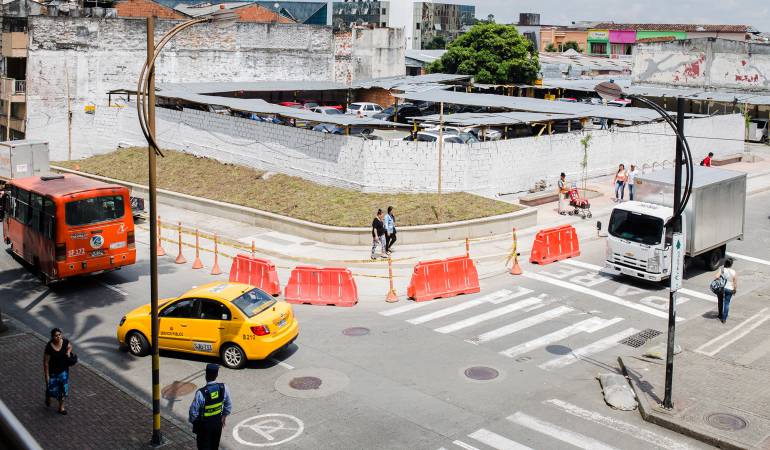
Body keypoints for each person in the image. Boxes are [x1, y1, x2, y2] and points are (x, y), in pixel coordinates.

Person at [189, 363, 232, 450]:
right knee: (214, 446)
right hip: (217, 424)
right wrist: (224, 416)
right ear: (217, 375)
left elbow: (193, 412)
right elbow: (228, 405)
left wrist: (196, 423)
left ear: (206, 375)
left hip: (204, 427)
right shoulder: (224, 388)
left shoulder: (201, 393)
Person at [44, 328, 73, 415]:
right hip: (53, 372)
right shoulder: (49, 347)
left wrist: (68, 352)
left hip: (63, 371)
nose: (58, 337)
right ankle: (48, 395)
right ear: (52, 337)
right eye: (56, 335)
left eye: (59, 335)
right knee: (52, 389)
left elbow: (70, 346)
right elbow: (46, 363)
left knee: (63, 389)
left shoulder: (65, 342)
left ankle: (61, 407)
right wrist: (47, 376)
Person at [715, 258, 738, 323]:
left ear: (725, 263)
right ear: (731, 264)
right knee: (727, 303)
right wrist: (734, 290)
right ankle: (724, 319)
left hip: (721, 288)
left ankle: (720, 315)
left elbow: (716, 277)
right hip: (729, 289)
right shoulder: (733, 272)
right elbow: (735, 283)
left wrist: (720, 279)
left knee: (720, 301)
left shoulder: (722, 270)